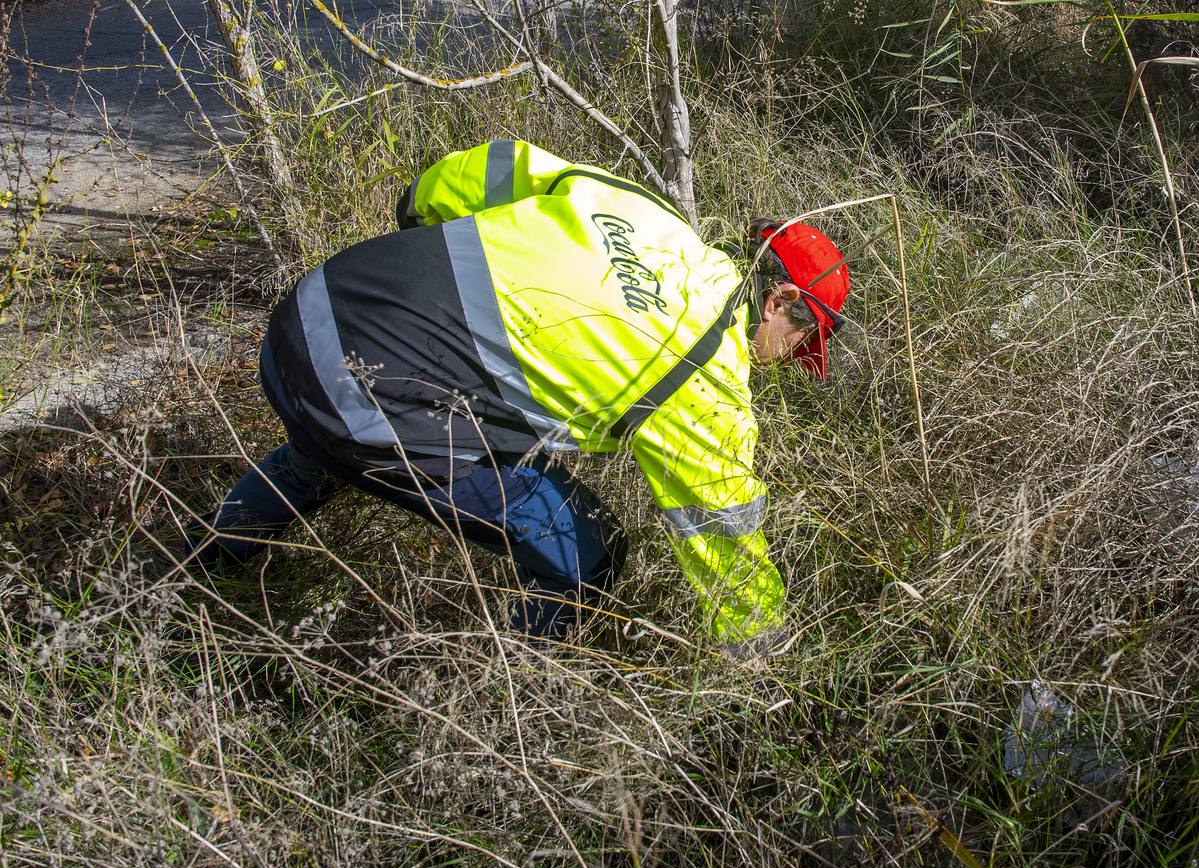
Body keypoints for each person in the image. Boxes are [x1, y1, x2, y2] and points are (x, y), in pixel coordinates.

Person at [189, 139, 850, 655]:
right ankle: (510, 701)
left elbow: (490, 166)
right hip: (359, 401)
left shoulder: (643, 213)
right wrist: (761, 653)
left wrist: (418, 231)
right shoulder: (706, 378)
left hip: (306, 317)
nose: (794, 360)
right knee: (589, 551)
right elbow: (722, 538)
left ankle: (195, 572)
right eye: (804, 340)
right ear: (780, 300)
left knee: (328, 444)